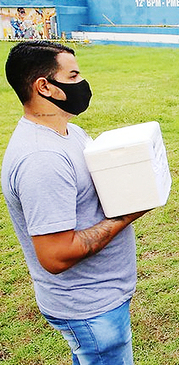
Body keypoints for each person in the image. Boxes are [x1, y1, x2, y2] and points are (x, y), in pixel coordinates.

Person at [2, 41, 149, 364]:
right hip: (89, 307)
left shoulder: (70, 132)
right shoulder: (41, 159)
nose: (82, 84)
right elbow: (55, 255)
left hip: (102, 298)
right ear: (45, 86)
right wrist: (125, 217)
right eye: (73, 75)